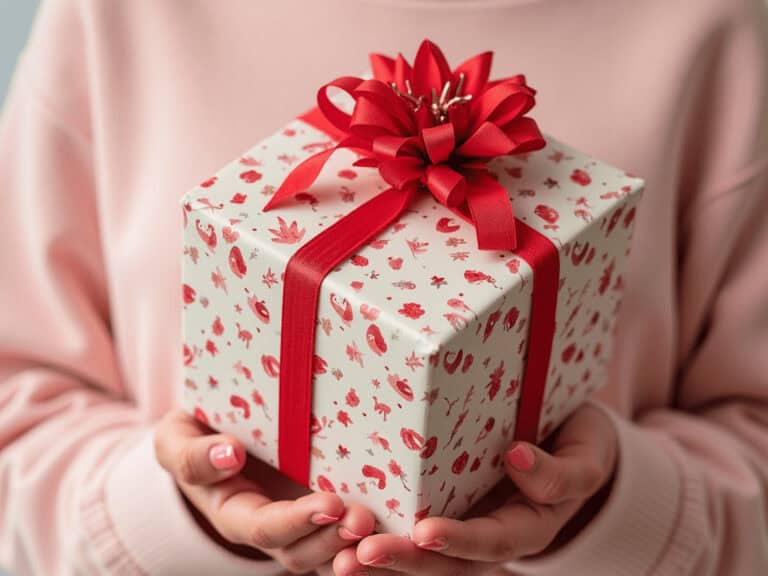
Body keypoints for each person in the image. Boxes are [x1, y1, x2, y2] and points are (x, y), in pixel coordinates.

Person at [1, 0, 766, 574]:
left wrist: (613, 506)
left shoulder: (719, 28)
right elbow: (15, 413)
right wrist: (172, 512)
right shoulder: (112, 16)